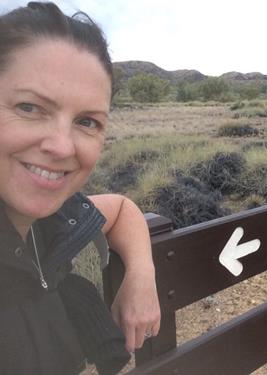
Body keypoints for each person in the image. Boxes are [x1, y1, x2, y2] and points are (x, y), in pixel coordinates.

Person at [0, 2, 161, 374]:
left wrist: (140, 273)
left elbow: (120, 209)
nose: (61, 146)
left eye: (87, 121)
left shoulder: (47, 220)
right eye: (29, 107)